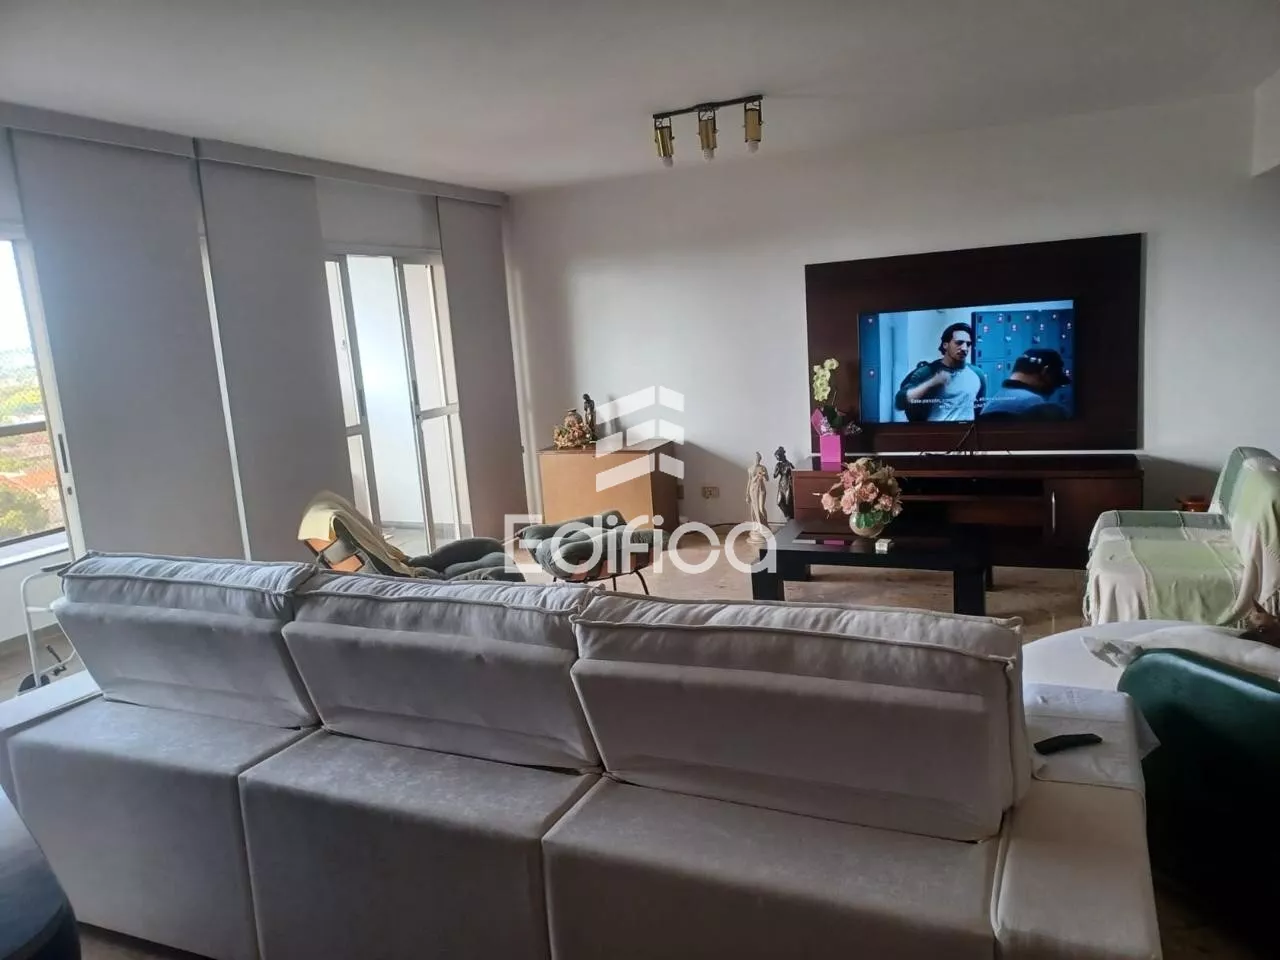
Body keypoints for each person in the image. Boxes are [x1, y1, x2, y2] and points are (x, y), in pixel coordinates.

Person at [894, 322, 987, 422]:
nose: (964, 348)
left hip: (968, 430)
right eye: (959, 343)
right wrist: (931, 383)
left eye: (968, 344)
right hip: (935, 431)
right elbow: (900, 402)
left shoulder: (977, 374)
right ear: (945, 345)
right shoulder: (927, 372)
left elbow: (980, 409)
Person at [979, 348, 1072, 421]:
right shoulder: (1033, 402)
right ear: (1045, 372)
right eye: (1054, 381)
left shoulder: (992, 402)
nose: (1053, 390)